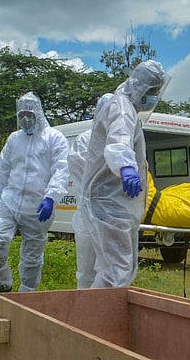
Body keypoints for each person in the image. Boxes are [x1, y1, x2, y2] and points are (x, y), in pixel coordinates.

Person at [82, 60, 166, 288]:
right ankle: (102, 311)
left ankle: (94, 310)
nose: (154, 96)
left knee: (117, 270)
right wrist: (126, 167)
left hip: (116, 203)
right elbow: (118, 141)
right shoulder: (121, 108)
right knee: (117, 272)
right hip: (109, 202)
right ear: (140, 86)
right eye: (152, 91)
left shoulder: (127, 108)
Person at [0, 92, 70, 293]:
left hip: (37, 205)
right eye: (21, 115)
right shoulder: (14, 139)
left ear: (38, 113)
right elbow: (2, 172)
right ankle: (4, 280)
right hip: (9, 201)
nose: (25, 119)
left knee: (32, 255)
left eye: (29, 114)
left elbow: (62, 169)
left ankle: (27, 293)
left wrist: (51, 197)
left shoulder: (54, 138)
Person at [69, 93, 112, 289]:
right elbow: (83, 175)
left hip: (114, 217)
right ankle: (85, 304)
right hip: (89, 213)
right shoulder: (85, 140)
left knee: (109, 268)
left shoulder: (122, 141)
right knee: (86, 270)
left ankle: (105, 306)